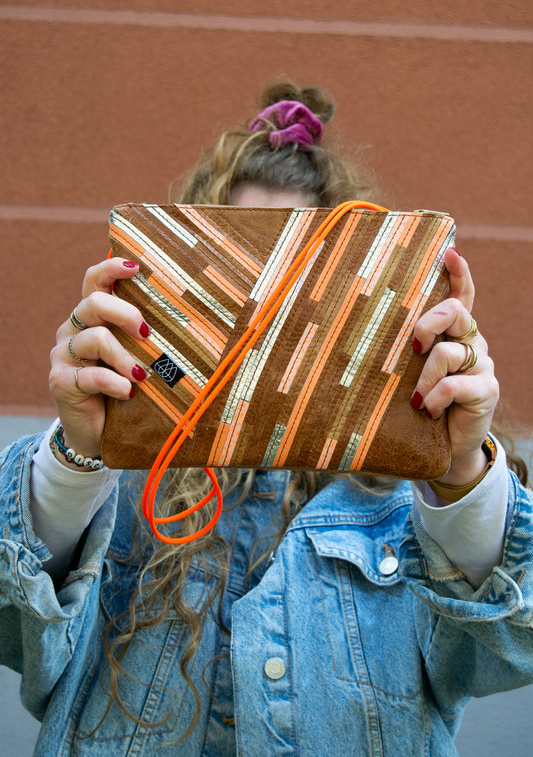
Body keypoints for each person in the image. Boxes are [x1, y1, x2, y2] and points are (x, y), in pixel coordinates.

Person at [0, 79, 532, 757]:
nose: (263, 318)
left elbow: (510, 646)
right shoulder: (125, 477)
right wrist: (73, 461)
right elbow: (16, 632)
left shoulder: (408, 493)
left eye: (298, 273)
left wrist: (459, 470)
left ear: (354, 290)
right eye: (238, 265)